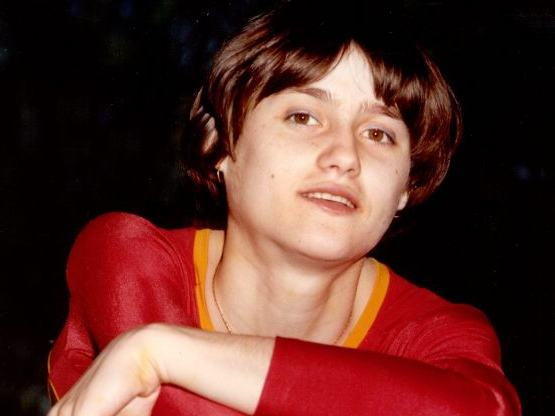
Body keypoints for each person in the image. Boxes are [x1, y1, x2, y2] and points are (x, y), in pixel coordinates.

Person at [47, 1, 521, 415]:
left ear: (405, 186)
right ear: (219, 146)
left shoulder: (438, 335)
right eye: (303, 116)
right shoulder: (130, 259)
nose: (345, 156)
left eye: (379, 133)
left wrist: (159, 352)